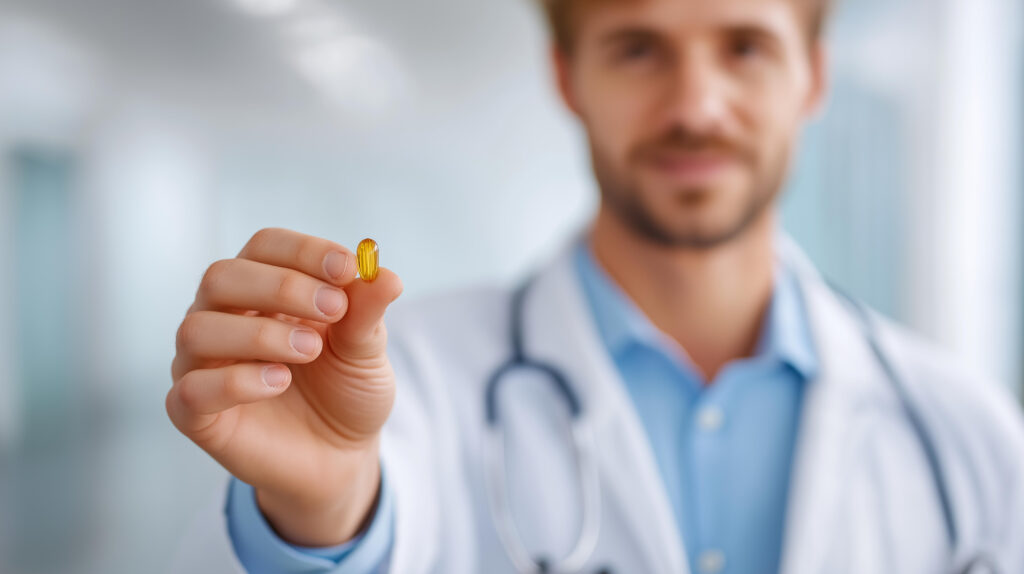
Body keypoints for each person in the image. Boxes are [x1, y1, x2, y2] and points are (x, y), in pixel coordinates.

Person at [166, 0, 1024, 572]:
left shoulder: (967, 433)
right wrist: (320, 518)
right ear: (568, 77)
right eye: (638, 48)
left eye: (746, 47)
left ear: (814, 78)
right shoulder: (404, 383)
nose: (696, 105)